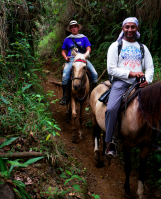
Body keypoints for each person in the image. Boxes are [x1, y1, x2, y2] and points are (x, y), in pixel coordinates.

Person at [105, 17, 154, 156]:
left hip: (140, 83)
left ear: (137, 29)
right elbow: (111, 69)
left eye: (133, 27)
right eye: (127, 27)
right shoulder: (115, 46)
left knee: (156, 104)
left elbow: (150, 67)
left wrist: (148, 80)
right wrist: (132, 74)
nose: (130, 29)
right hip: (121, 82)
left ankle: (152, 139)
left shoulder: (142, 48)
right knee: (111, 109)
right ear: (123, 29)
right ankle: (111, 142)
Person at [59, 20, 98, 105]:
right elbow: (63, 51)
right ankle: (64, 97)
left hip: (82, 58)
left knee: (94, 74)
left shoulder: (84, 38)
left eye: (75, 27)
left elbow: (89, 49)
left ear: (78, 28)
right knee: (65, 76)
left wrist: (85, 55)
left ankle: (92, 95)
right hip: (72, 59)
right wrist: (65, 57)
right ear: (70, 29)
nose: (74, 28)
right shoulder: (67, 39)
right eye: (72, 27)